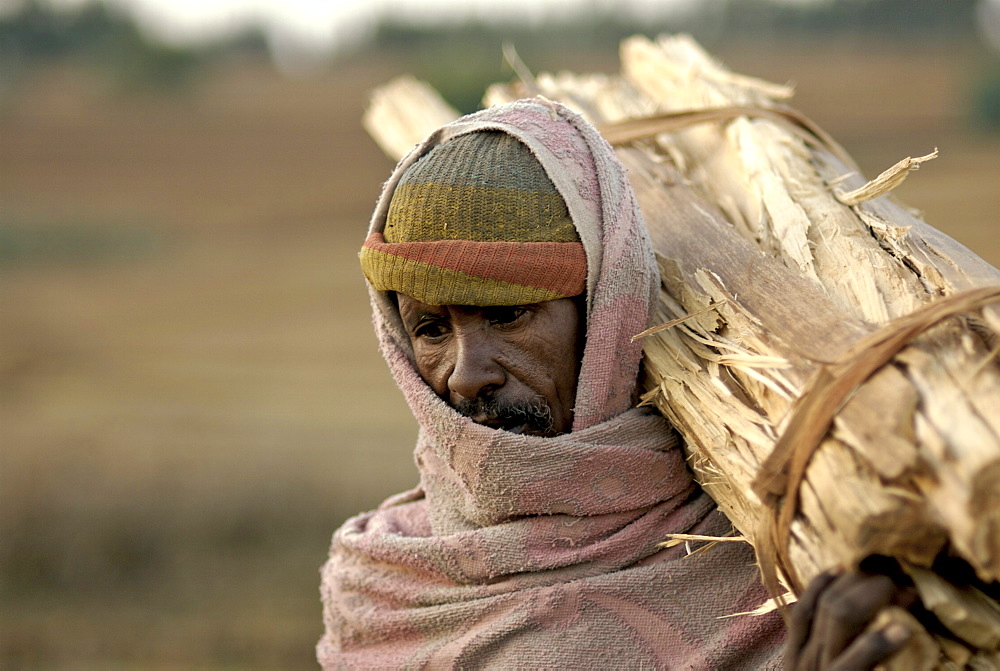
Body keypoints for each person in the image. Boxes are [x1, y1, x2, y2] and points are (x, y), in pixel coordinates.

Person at [318, 98, 911, 668]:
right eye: (430, 329)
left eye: (507, 314)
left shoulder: (779, 533)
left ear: (605, 311)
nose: (468, 375)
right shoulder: (383, 586)